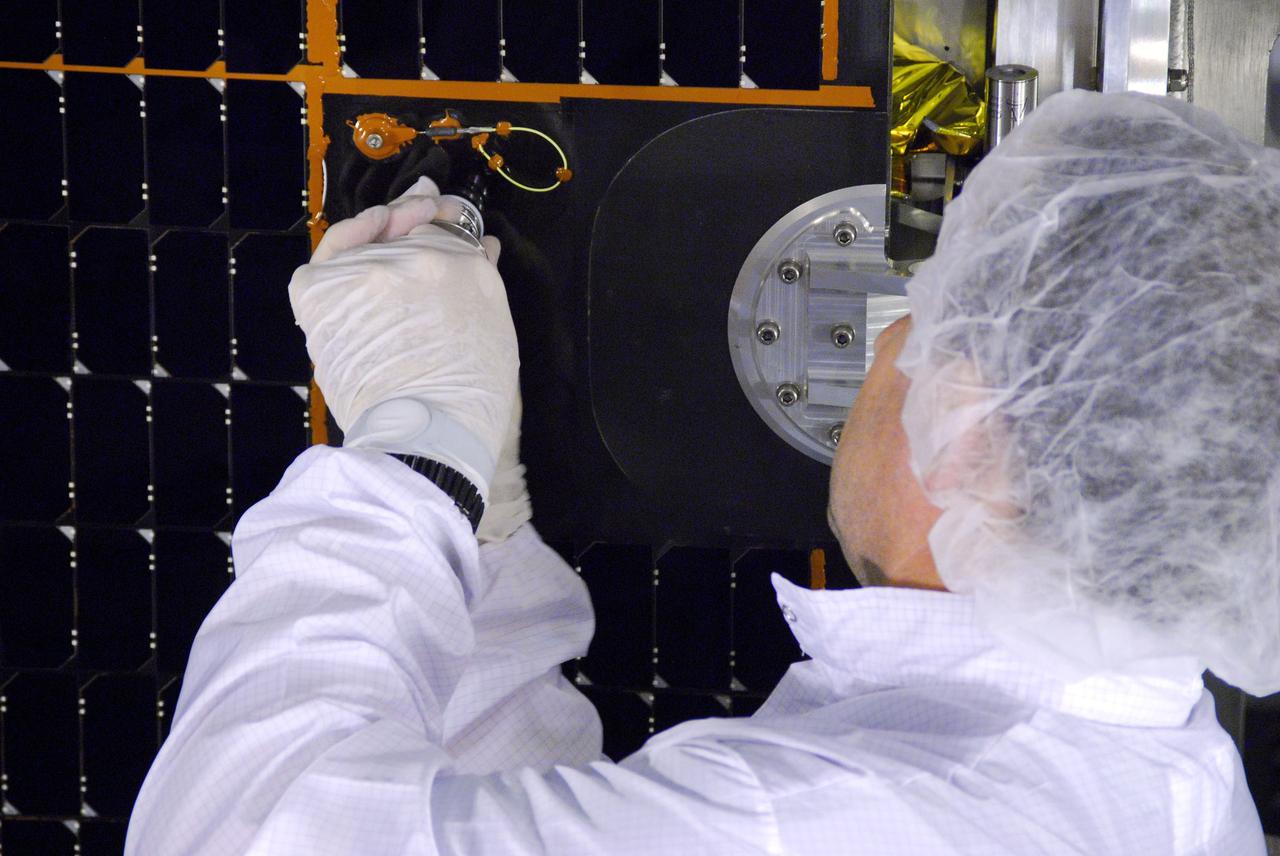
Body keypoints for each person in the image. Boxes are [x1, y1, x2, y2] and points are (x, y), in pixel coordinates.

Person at [126, 91, 1277, 854]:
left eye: (921, 319)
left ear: (973, 431)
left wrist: (413, 458)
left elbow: (236, 831)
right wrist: (483, 545)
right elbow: (494, 826)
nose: (880, 345)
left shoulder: (843, 823)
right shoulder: (1122, 784)